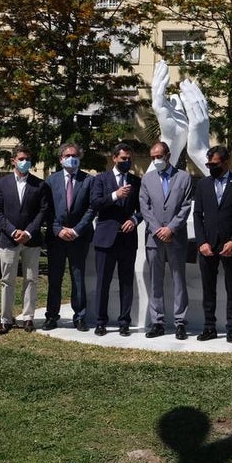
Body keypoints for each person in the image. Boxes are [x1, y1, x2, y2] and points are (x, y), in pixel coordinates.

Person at [192, 145, 232, 343]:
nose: (211, 167)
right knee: (209, 288)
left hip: (230, 245)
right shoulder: (203, 184)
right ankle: (209, 327)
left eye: (214, 164)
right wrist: (201, 242)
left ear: (225, 162)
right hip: (208, 245)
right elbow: (197, 214)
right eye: (208, 164)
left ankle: (231, 328)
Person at [141, 140, 194, 340]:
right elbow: (144, 207)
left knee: (179, 279)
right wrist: (157, 229)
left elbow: (186, 206)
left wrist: (171, 228)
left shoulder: (184, 177)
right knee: (156, 280)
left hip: (176, 237)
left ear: (168, 155)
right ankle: (158, 322)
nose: (156, 160)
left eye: (159, 156)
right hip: (154, 239)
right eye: (153, 157)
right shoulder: (147, 179)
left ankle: (180, 322)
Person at [0, 144, 48, 333]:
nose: (25, 162)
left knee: (31, 279)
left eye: (27, 159)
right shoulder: (2, 183)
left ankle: (28, 317)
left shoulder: (39, 184)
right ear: (13, 160)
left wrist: (29, 232)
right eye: (21, 159)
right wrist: (13, 231)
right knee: (7, 280)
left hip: (31, 241)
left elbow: (42, 212)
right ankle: (6, 319)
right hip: (9, 240)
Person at [90, 142, 142, 337]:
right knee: (103, 281)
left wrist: (135, 220)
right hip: (105, 239)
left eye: (129, 159)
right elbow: (95, 203)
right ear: (114, 158)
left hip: (127, 239)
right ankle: (101, 321)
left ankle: (124, 321)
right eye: (123, 159)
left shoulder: (136, 181)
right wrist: (115, 195)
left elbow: (143, 209)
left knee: (126, 282)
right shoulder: (101, 179)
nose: (127, 162)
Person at [44, 142, 95, 331]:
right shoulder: (51, 180)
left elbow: (91, 209)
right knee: (55, 278)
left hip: (79, 238)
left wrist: (76, 230)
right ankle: (51, 316)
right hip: (56, 238)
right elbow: (47, 209)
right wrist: (58, 229)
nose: (71, 158)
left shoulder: (88, 180)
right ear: (60, 159)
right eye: (67, 156)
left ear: (79, 158)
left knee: (78, 277)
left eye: (74, 155)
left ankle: (80, 316)